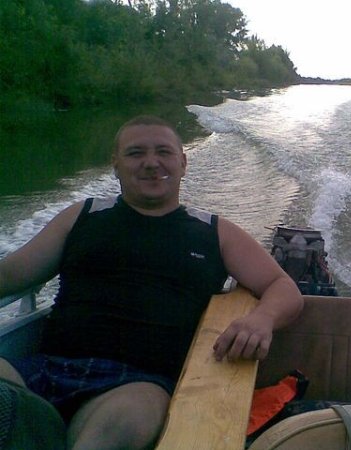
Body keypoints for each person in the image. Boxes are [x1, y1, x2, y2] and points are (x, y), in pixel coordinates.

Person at [0, 115, 304, 449]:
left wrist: (261, 319)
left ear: (183, 163)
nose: (150, 162)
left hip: (137, 385)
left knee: (119, 425)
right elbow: (11, 274)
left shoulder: (215, 232)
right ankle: (35, 427)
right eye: (135, 153)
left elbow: (282, 286)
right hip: (45, 370)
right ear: (115, 165)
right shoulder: (82, 216)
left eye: (163, 152)